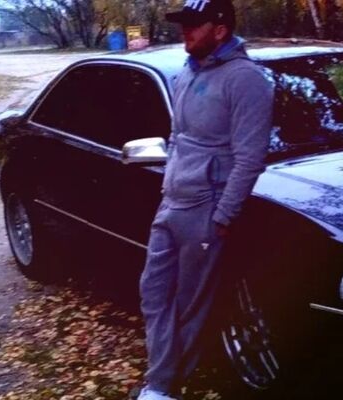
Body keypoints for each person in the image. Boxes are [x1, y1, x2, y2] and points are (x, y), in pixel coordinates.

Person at [136, 1, 274, 399]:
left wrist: (223, 216)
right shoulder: (187, 71)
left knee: (191, 304)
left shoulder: (245, 80)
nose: (186, 30)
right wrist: (169, 182)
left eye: (195, 24)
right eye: (184, 23)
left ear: (220, 29)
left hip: (206, 207)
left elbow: (249, 158)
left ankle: (164, 386)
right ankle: (162, 377)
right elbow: (178, 137)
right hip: (172, 201)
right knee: (153, 292)